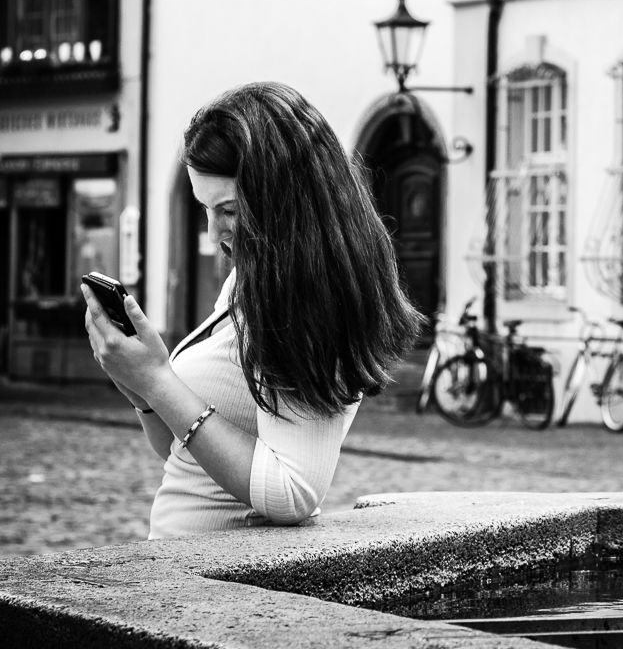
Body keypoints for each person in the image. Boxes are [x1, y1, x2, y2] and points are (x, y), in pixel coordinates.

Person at [83, 82, 422, 537]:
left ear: (282, 200)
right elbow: (180, 453)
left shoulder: (304, 296)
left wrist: (159, 379)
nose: (212, 234)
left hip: (219, 586)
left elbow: (292, 493)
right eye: (205, 209)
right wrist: (142, 387)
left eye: (228, 210)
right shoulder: (253, 277)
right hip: (183, 570)